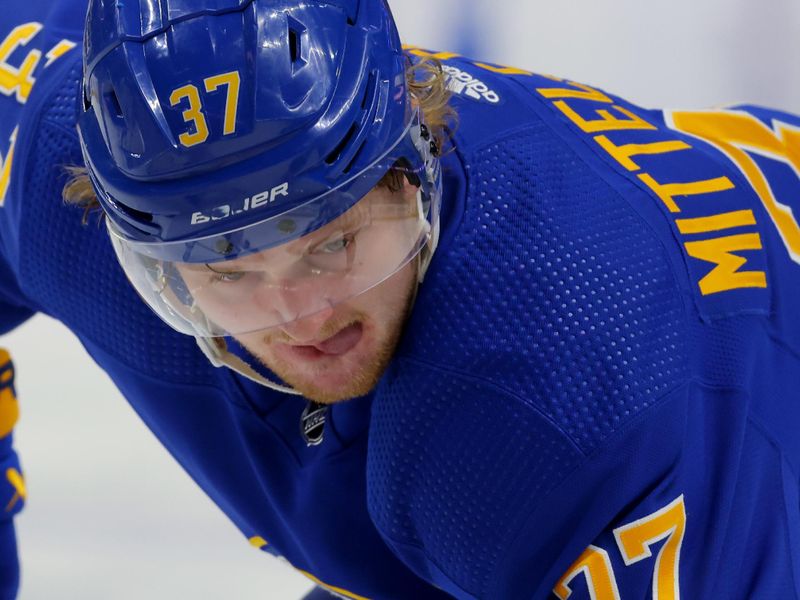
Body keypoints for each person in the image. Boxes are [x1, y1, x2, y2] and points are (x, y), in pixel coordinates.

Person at [0, 0, 799, 598]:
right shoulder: (48, 170)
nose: (302, 318)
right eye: (227, 271)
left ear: (417, 152)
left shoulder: (573, 405)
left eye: (332, 243)